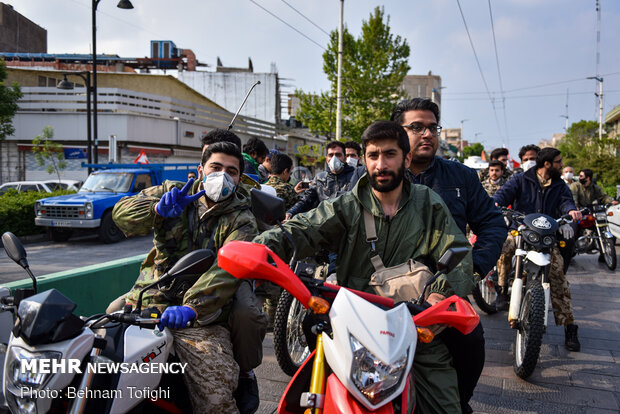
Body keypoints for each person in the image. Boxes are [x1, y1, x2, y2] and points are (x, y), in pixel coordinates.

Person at [254, 121, 475, 413]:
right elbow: (302, 228)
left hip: (414, 326)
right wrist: (259, 247)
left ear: (406, 159)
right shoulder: (346, 205)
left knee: (446, 406)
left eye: (389, 154)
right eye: (373, 155)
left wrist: (439, 295)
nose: (380, 164)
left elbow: (456, 253)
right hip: (352, 324)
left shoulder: (429, 204)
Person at [112, 141, 258, 412]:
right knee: (101, 361)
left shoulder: (243, 219)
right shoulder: (172, 191)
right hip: (152, 297)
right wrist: (155, 211)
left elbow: (226, 270)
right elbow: (120, 214)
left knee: (216, 399)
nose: (222, 175)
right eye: (215, 167)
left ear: (239, 178)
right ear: (200, 169)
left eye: (231, 171)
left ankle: (245, 374)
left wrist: (192, 307)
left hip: (202, 315)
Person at [391, 97, 506, 414]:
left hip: (445, 282)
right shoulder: (377, 173)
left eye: (432, 127)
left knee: (471, 340)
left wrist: (472, 271)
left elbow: (493, 224)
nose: (427, 134)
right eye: (417, 127)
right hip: (383, 285)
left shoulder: (462, 177)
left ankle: (458, 402)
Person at [493, 147, 583, 352]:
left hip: (546, 238)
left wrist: (570, 213)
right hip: (520, 232)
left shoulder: (560, 185)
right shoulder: (521, 180)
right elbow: (502, 195)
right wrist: (494, 205)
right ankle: (501, 291)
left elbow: (567, 202)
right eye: (559, 162)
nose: (562, 165)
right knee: (502, 248)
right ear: (548, 164)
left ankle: (570, 326)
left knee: (558, 276)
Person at [286, 141, 356, 219]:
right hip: (325, 224)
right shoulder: (319, 178)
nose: (334, 158)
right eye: (331, 155)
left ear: (345, 158)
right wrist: (291, 212)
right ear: (326, 158)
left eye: (338, 155)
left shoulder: (355, 176)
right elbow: (306, 200)